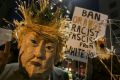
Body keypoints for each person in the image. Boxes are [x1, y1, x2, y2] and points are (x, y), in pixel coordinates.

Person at [0, 0, 69, 80]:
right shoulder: (3, 73)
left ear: (57, 57)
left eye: (49, 47)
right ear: (20, 43)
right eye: (33, 42)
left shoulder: (63, 77)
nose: (39, 54)